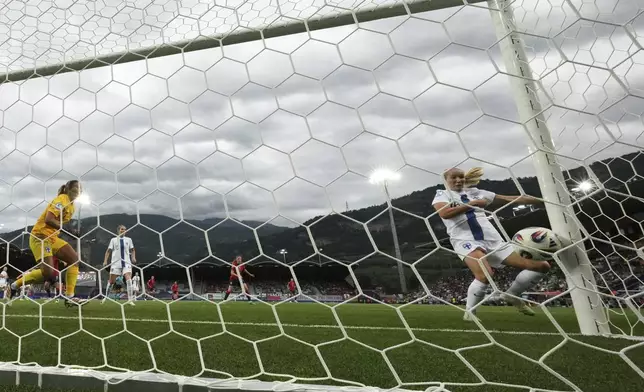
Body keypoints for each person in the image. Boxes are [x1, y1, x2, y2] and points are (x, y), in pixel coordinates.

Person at [431, 167, 551, 321]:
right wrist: (473, 204)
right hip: (465, 240)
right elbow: (444, 213)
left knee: (542, 266)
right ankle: (470, 313)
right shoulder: (442, 194)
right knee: (484, 274)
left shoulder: (478, 193)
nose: (458, 180)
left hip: (494, 240)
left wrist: (545, 202)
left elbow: (510, 199)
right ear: (445, 180)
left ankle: (512, 295)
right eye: (453, 178)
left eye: (461, 177)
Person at [9, 180, 84, 307]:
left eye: (80, 188)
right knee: (48, 273)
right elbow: (49, 219)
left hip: (53, 238)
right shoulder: (62, 199)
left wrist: (71, 231)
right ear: (67, 189)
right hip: (40, 236)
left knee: (74, 260)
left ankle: (70, 297)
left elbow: (59, 223)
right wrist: (67, 230)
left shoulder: (72, 206)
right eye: (76, 188)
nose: (79, 191)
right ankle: (15, 285)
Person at [102, 225, 136, 305]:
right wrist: (105, 261)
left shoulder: (129, 240)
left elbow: (133, 250)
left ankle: (130, 300)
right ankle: (105, 297)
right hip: (115, 263)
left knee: (128, 279)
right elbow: (108, 251)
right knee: (111, 281)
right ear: (118, 230)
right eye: (122, 229)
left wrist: (133, 258)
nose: (123, 230)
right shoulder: (113, 240)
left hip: (126, 262)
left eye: (125, 229)